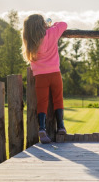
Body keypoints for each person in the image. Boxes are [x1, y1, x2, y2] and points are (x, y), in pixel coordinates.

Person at [22, 14, 68, 144]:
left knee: (42, 102)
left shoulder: (30, 40)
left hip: (40, 76)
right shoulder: (52, 33)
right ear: (42, 24)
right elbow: (64, 24)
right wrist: (51, 25)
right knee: (58, 99)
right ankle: (61, 126)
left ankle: (42, 128)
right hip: (55, 73)